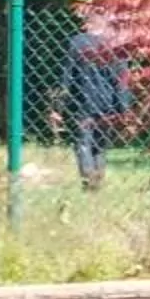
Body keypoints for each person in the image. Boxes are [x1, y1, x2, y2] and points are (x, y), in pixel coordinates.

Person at [54, 17, 131, 190]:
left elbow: (66, 78)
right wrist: (124, 108)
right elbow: (122, 82)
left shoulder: (77, 42)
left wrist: (58, 108)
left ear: (87, 24)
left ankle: (89, 183)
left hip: (83, 101)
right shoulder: (116, 46)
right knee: (100, 146)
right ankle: (98, 181)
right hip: (108, 103)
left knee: (83, 142)